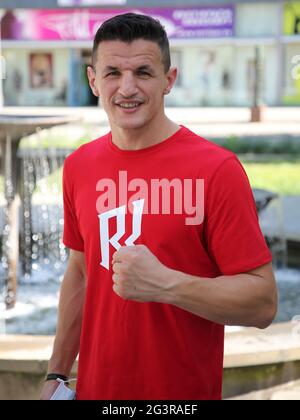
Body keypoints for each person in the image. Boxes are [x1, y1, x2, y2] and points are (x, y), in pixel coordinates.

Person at [40, 13, 277, 400]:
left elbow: (263, 302)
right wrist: (57, 372)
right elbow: (80, 272)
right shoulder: (79, 166)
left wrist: (167, 284)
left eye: (144, 73)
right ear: (93, 81)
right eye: (113, 72)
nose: (127, 87)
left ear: (169, 80)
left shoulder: (216, 169)